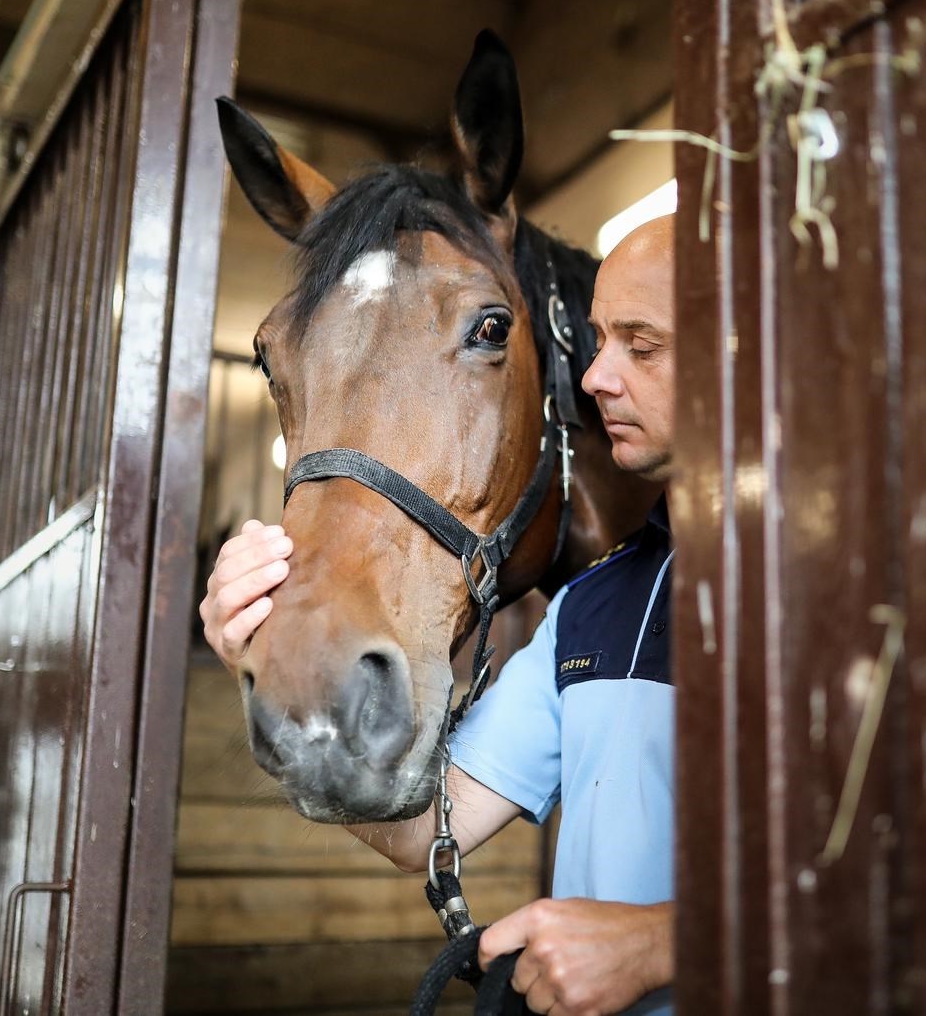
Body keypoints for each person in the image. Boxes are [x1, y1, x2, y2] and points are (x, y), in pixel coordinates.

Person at [199, 214, 680, 1015]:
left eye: (642, 345)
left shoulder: (855, 600)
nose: (593, 376)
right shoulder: (590, 610)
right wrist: (257, 653)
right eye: (598, 340)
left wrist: (664, 942)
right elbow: (423, 830)